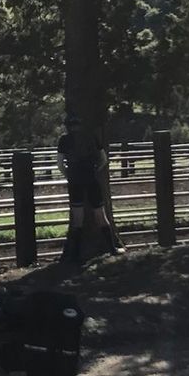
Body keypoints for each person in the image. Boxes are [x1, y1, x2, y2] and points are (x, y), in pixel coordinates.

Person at [57, 112, 125, 263]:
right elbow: (103, 159)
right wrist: (95, 171)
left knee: (77, 217)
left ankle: (75, 254)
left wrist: (69, 175)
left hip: (75, 181)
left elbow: (60, 164)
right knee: (100, 214)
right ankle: (112, 248)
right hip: (91, 178)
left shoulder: (64, 140)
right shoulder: (91, 137)